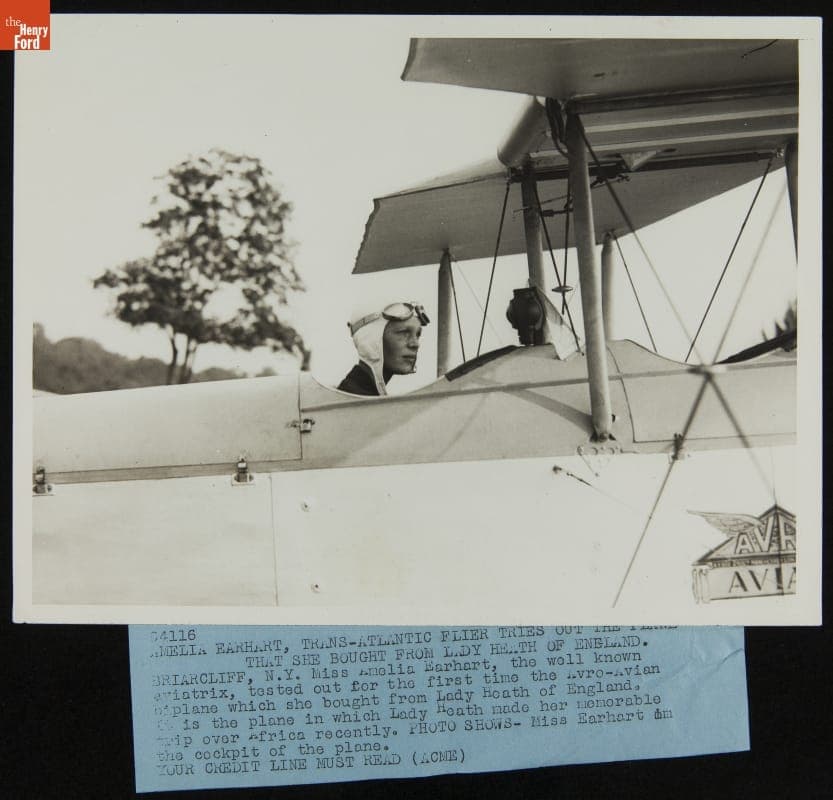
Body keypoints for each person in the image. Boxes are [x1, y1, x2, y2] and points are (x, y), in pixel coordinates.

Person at [338, 301, 430, 396]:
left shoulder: (363, 396)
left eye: (418, 334)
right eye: (403, 333)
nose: (415, 344)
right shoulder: (353, 399)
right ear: (371, 340)